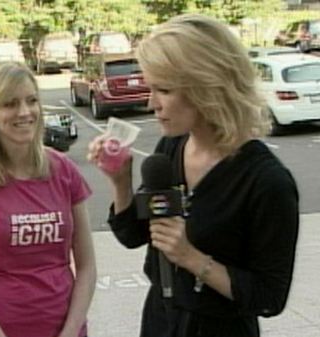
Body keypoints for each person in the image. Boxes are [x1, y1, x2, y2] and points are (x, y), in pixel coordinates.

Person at [87, 14, 299, 337]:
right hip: (161, 320)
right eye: (150, 88)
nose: (151, 103)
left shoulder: (267, 181)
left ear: (207, 87)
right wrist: (120, 182)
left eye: (164, 90)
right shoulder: (170, 149)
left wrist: (192, 258)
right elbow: (134, 235)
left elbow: (269, 297)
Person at [0, 62, 96, 337]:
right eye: (10, 104)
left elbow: (86, 267)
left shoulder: (63, 170)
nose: (24, 112)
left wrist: (70, 332)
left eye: (31, 101)